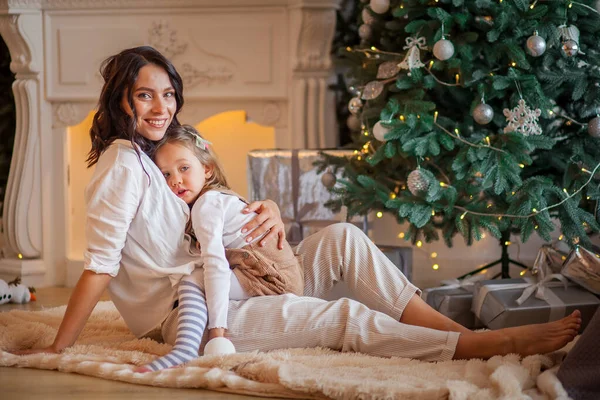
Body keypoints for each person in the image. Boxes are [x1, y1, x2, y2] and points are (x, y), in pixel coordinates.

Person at [12, 46, 582, 365]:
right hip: (192, 313)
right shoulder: (120, 165)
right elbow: (101, 265)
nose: (161, 106)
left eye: (168, 93)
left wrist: (271, 216)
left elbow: (213, 204)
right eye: (144, 94)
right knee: (342, 319)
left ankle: (442, 328)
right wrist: (61, 348)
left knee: (341, 239)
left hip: (243, 277)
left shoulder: (159, 156)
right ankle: (485, 345)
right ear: (121, 101)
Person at [136, 124, 304, 372]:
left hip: (272, 279)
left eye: (184, 168)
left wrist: (217, 333)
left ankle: (185, 349)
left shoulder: (207, 205)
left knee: (192, 281)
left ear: (206, 169)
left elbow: (215, 266)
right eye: (166, 175)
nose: (176, 181)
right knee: (197, 278)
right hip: (277, 273)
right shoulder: (214, 199)